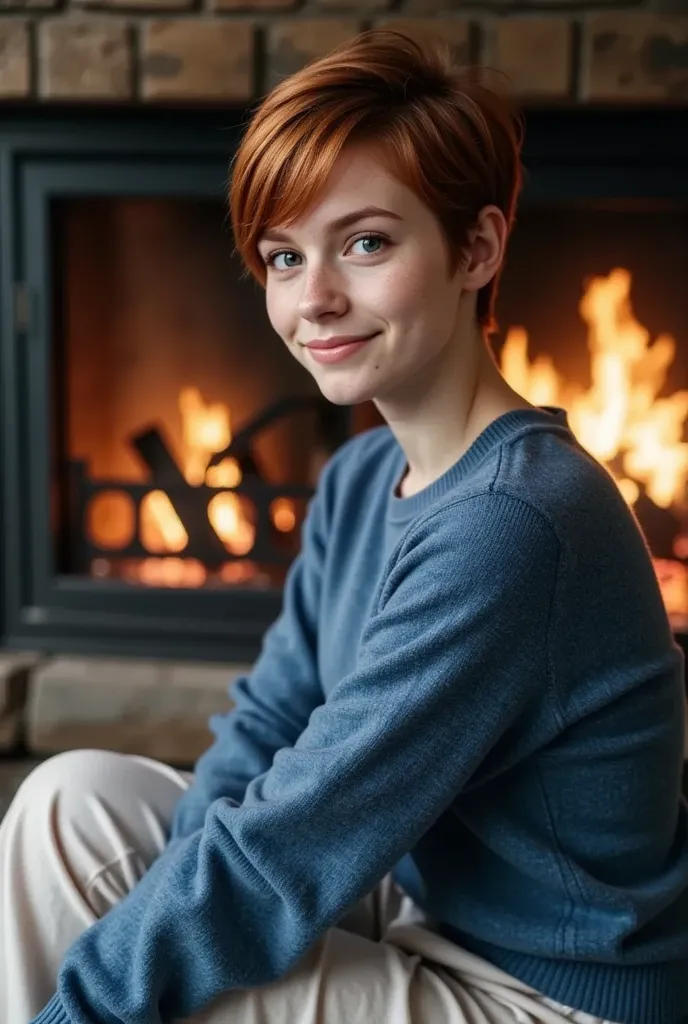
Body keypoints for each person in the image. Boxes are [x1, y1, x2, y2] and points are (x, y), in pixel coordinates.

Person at [2, 28, 687, 1024]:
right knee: (70, 806)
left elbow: (294, 843)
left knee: (166, 976)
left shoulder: (516, 523)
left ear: (477, 248)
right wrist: (160, 896)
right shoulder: (366, 474)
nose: (313, 298)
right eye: (284, 256)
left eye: (365, 242)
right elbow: (272, 727)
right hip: (422, 908)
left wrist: (88, 1002)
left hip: (544, 990)